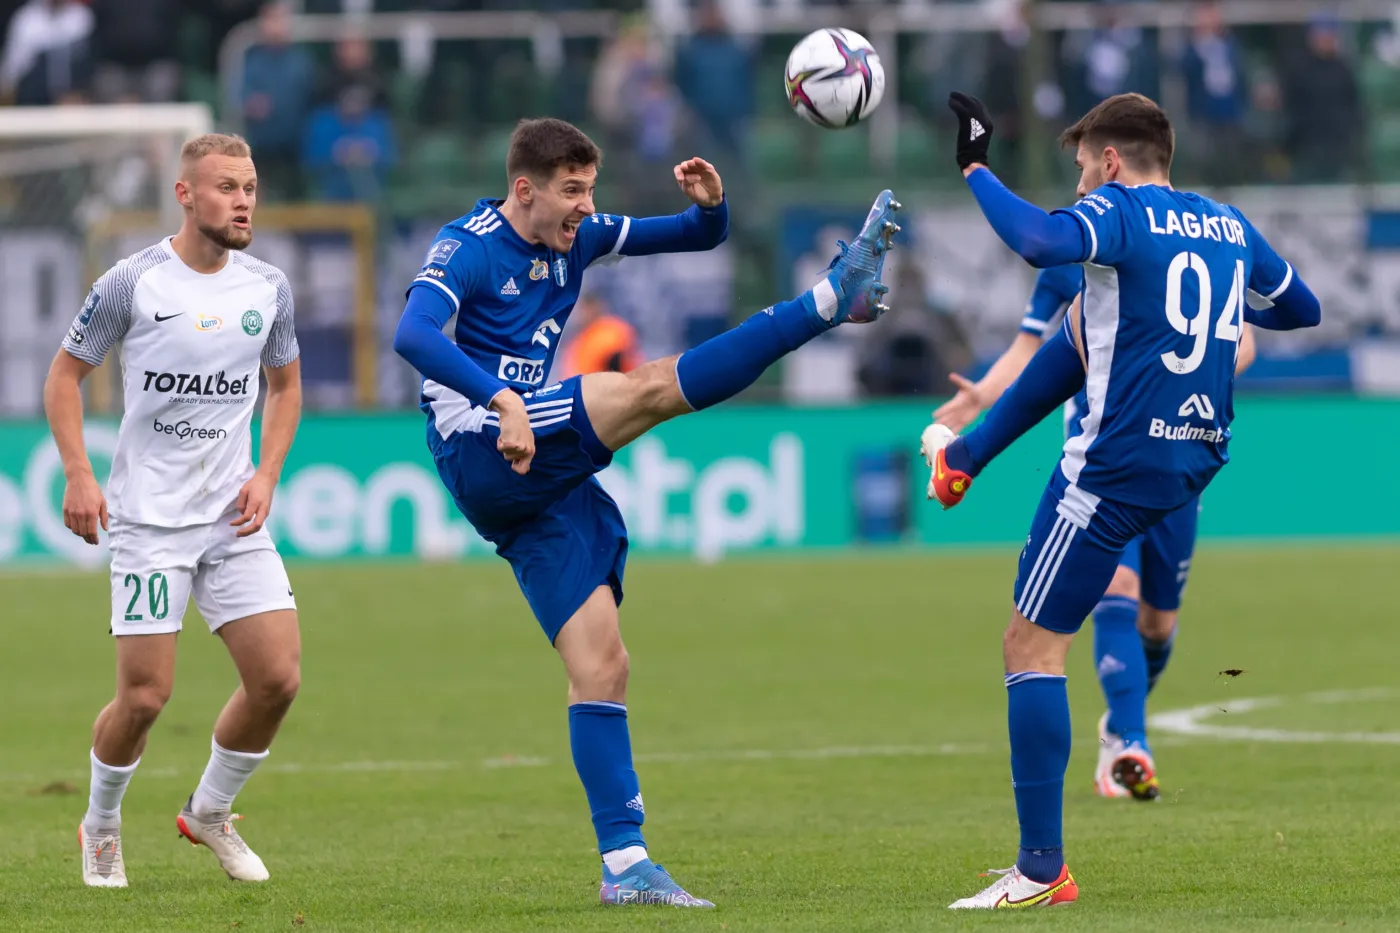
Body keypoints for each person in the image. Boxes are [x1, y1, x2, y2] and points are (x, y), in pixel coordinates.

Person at [392, 117, 900, 908]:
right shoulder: (469, 245)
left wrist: (714, 203)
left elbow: (698, 235)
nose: (585, 209)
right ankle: (833, 299)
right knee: (651, 387)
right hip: (482, 441)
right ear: (524, 189)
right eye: (571, 192)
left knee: (603, 665)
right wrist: (498, 397)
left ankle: (625, 865)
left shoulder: (580, 235)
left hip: (536, 478)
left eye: (590, 190)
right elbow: (411, 332)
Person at [922, 92, 1319, 909]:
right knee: (1081, 329)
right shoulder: (1225, 225)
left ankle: (1040, 870)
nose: (1076, 184)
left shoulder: (1119, 213)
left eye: (1079, 168)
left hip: (1110, 469)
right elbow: (1302, 308)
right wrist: (1216, 315)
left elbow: (1037, 240)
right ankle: (965, 460)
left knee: (1028, 648)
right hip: (1194, 459)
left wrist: (975, 164)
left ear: (1110, 162)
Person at [45, 133, 303, 888]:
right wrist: (78, 473)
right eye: (227, 186)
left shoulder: (267, 288)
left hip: (233, 516)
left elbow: (285, 388)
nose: (244, 200)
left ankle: (211, 811)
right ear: (186, 195)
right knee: (146, 697)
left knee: (278, 679)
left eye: (250, 185)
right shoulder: (133, 282)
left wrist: (267, 472)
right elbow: (64, 377)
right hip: (151, 522)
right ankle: (100, 822)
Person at [933, 262, 1256, 801]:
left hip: (1174, 453)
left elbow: (1241, 341)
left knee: (1157, 624)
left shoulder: (1181, 248)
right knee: (1116, 590)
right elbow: (1028, 349)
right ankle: (1132, 742)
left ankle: (1118, 725)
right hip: (1101, 462)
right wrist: (980, 396)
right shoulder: (1073, 254)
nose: (1086, 180)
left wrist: (1185, 377)